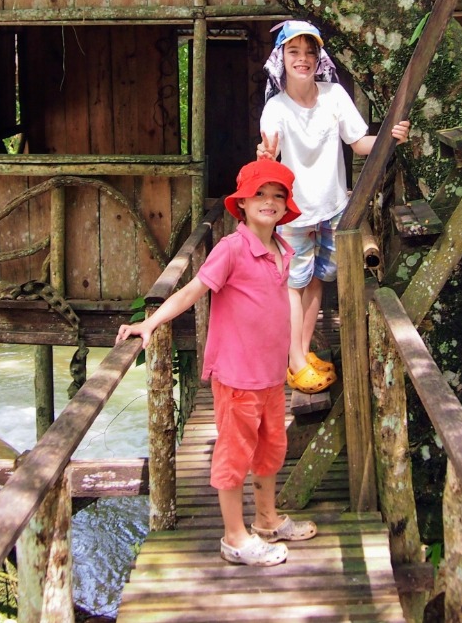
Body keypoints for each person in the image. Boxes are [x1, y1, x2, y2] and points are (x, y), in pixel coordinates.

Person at [115, 159, 319, 566]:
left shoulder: (283, 248)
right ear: (240, 204)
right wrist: (150, 322)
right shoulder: (231, 249)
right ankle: (234, 537)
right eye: (259, 194)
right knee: (234, 455)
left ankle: (266, 519)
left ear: (286, 208)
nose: (269, 201)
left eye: (278, 196)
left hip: (271, 375)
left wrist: (295, 356)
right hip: (238, 375)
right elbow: (192, 291)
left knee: (271, 448)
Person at [257, 20, 410, 395]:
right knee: (294, 284)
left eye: (310, 52)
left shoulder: (335, 96)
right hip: (293, 213)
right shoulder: (275, 107)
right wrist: (266, 154)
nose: (303, 59)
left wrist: (391, 138)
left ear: (318, 58)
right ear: (281, 59)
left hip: (333, 208)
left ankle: (303, 354)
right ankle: (294, 362)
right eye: (294, 52)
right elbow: (268, 154)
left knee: (317, 282)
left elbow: (359, 143)